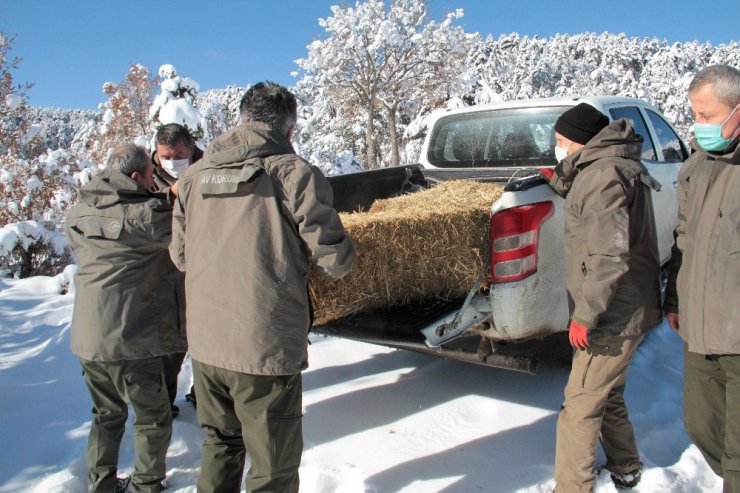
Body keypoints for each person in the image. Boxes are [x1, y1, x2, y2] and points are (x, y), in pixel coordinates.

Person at [170, 81, 356, 493]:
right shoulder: (294, 175)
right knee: (272, 468)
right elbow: (336, 261)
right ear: (288, 130)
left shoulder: (193, 178)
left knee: (220, 444)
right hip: (263, 347)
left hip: (205, 346)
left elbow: (181, 258)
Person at [545, 103, 663, 492]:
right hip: (627, 305)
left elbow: (609, 255)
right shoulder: (608, 166)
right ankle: (626, 466)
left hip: (611, 313)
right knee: (607, 392)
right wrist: (557, 177)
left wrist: (586, 316)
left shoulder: (602, 177)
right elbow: (586, 196)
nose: (558, 148)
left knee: (579, 407)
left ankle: (572, 486)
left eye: (562, 142)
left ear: (580, 142)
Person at [66, 144, 187, 493]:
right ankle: (147, 484)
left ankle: (100, 482)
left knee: (107, 414)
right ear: (136, 178)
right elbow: (177, 225)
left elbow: (125, 218)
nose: (154, 182)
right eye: (151, 177)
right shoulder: (149, 217)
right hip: (130, 338)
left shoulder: (77, 213)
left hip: (88, 338)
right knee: (153, 417)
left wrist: (160, 195)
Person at [663, 64, 740, 491]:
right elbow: (684, 241)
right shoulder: (694, 167)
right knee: (702, 427)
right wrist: (675, 299)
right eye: (695, 114)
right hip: (701, 331)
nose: (699, 125)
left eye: (708, 116)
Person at [150, 123, 202, 416]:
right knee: (168, 345)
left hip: (202, 267)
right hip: (161, 271)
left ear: (191, 149)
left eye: (178, 154)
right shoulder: (142, 174)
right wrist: (167, 196)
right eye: (165, 156)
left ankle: (204, 393)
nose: (171, 161)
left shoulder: (210, 168)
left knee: (207, 337)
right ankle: (163, 402)